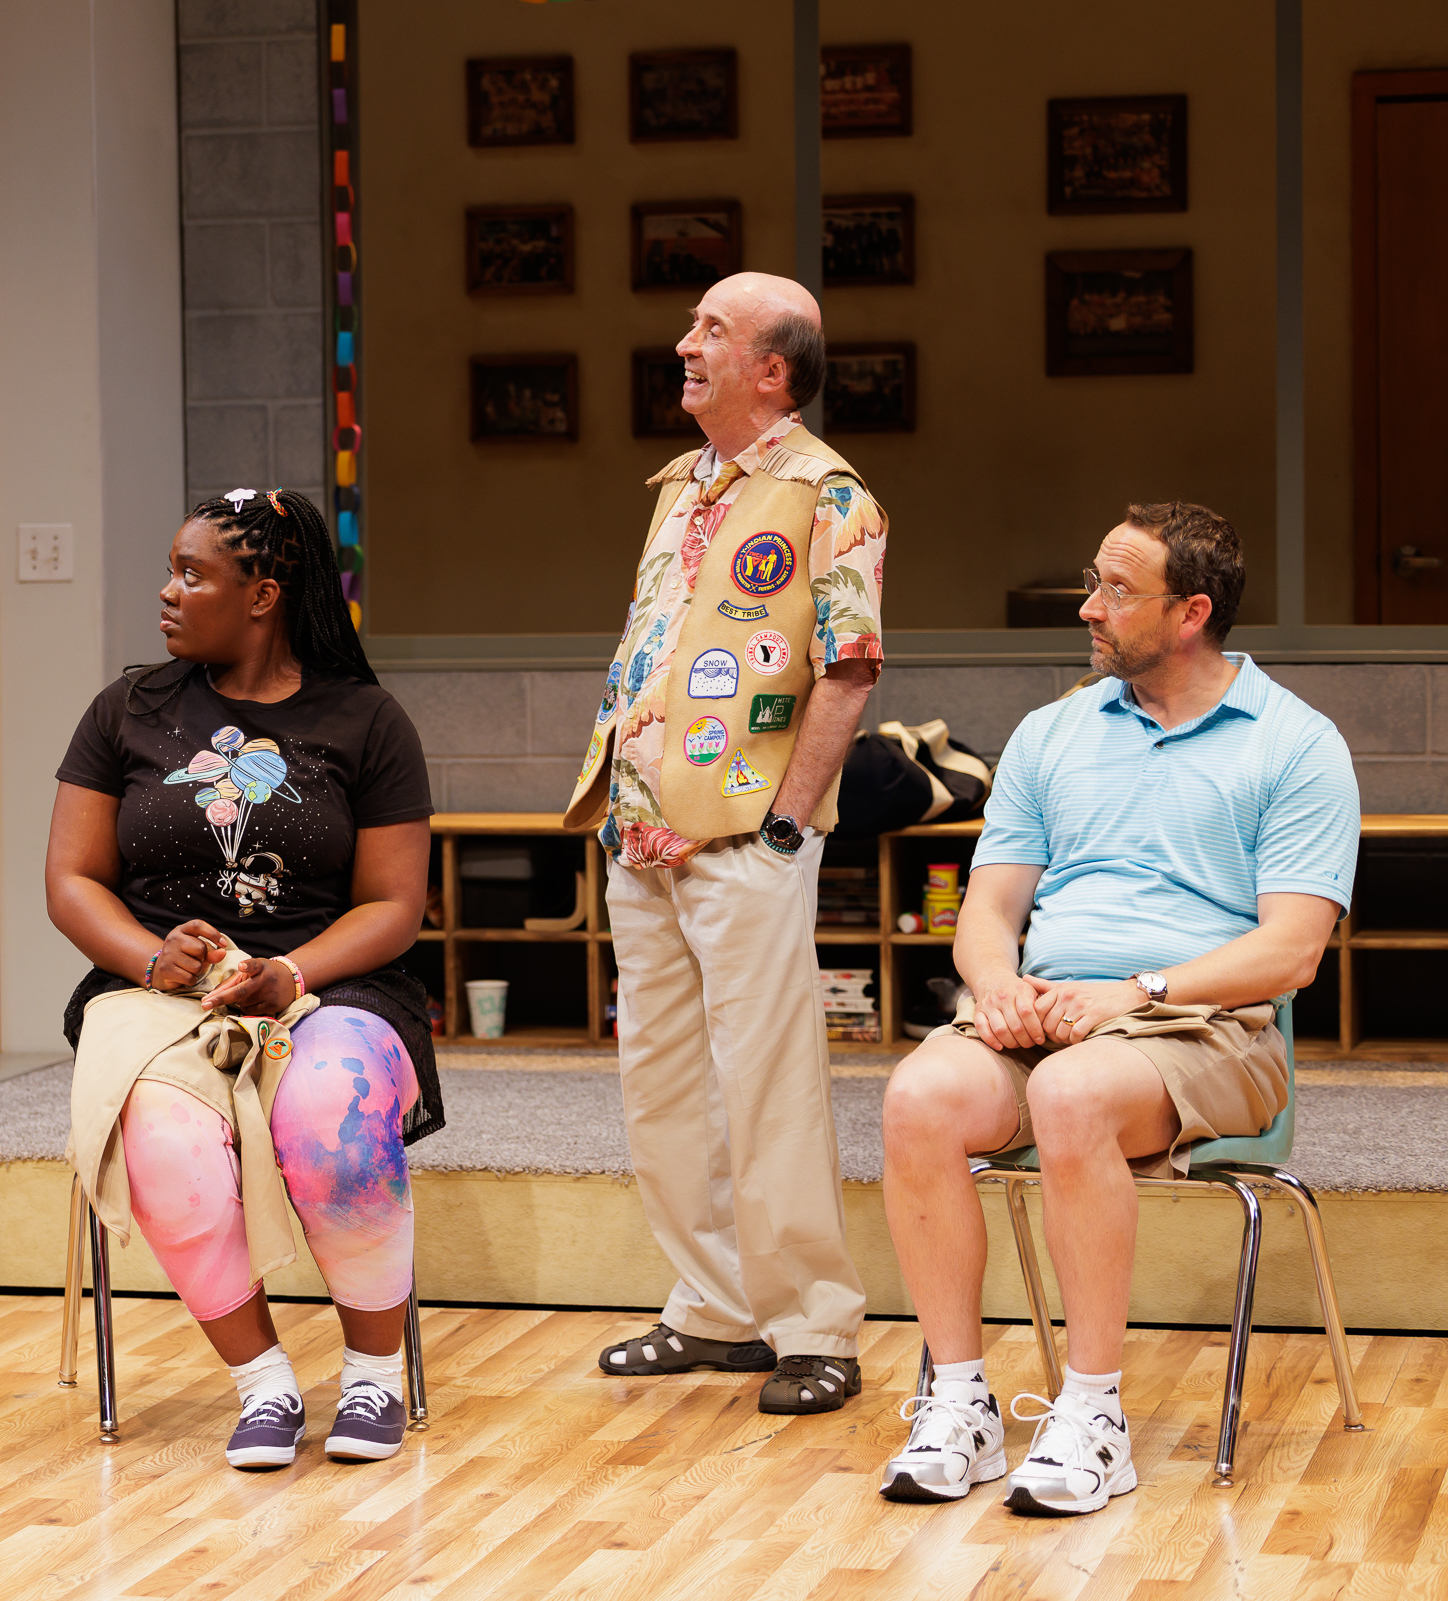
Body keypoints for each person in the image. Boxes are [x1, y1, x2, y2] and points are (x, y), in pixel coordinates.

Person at [877, 503, 1356, 1515]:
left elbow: (1294, 950)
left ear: (1191, 612)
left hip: (1210, 1027)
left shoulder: (1297, 743)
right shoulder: (1052, 732)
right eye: (1092, 582)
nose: (1088, 607)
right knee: (919, 1094)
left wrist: (1130, 993)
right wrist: (997, 986)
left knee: (1074, 1095)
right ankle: (959, 1404)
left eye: (1115, 590)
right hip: (1047, 1011)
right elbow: (990, 908)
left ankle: (1092, 1412)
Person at [46, 488, 438, 1470]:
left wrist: (292, 969)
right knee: (169, 1145)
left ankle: (371, 1375)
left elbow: (395, 903)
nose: (167, 592)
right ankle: (262, 1383)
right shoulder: (126, 709)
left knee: (331, 1120)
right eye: (172, 570)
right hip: (156, 993)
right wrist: (145, 953)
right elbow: (70, 878)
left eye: (193, 574)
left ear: (262, 595)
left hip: (331, 980)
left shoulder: (366, 720)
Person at [565, 272, 886, 1414]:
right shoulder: (682, 483)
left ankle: (815, 1326)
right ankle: (714, 1306)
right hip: (642, 829)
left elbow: (847, 671)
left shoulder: (827, 494)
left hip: (746, 831)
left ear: (774, 368)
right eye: (694, 324)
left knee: (767, 1082)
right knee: (662, 1079)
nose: (683, 343)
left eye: (713, 331)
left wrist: (788, 824)